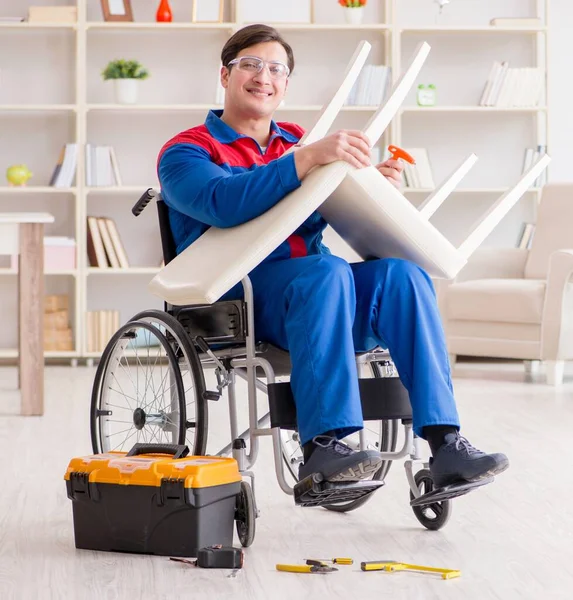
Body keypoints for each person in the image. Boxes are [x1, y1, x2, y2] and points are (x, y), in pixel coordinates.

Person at [157, 24, 509, 488]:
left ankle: (446, 444)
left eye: (277, 69)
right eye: (251, 64)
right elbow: (222, 203)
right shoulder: (186, 151)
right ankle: (323, 448)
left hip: (322, 295)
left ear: (285, 86)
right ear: (225, 75)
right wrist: (305, 161)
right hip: (240, 302)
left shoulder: (300, 142)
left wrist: (369, 187)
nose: (264, 76)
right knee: (325, 272)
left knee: (403, 276)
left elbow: (334, 207)